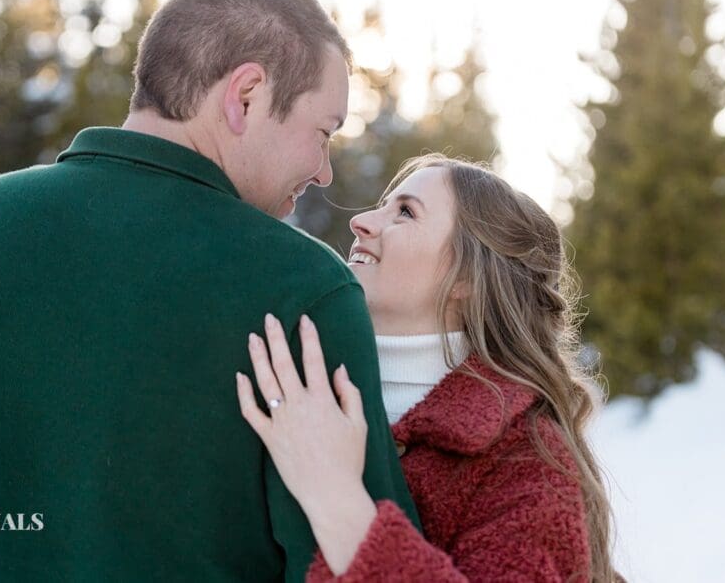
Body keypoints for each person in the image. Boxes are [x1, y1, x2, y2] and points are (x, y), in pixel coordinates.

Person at [0, 0, 418, 581]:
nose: (325, 173)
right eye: (323, 132)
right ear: (247, 95)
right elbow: (366, 566)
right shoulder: (302, 293)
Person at [234, 155, 620, 581]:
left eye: (405, 212)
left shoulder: (527, 463)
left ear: (466, 278)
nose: (360, 221)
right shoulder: (295, 383)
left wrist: (335, 496)